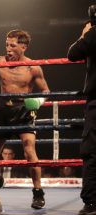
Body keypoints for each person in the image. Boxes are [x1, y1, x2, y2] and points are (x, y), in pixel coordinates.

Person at [0, 29, 50, 209]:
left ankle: (38, 192)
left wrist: (38, 101)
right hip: (2, 110)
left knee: (29, 150)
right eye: (6, 44)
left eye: (13, 45)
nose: (8, 49)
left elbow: (46, 91)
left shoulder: (34, 67)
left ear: (23, 47)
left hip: (24, 110)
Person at [67, 4, 96, 215]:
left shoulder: (94, 33)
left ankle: (92, 203)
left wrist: (84, 34)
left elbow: (73, 54)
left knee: (91, 151)